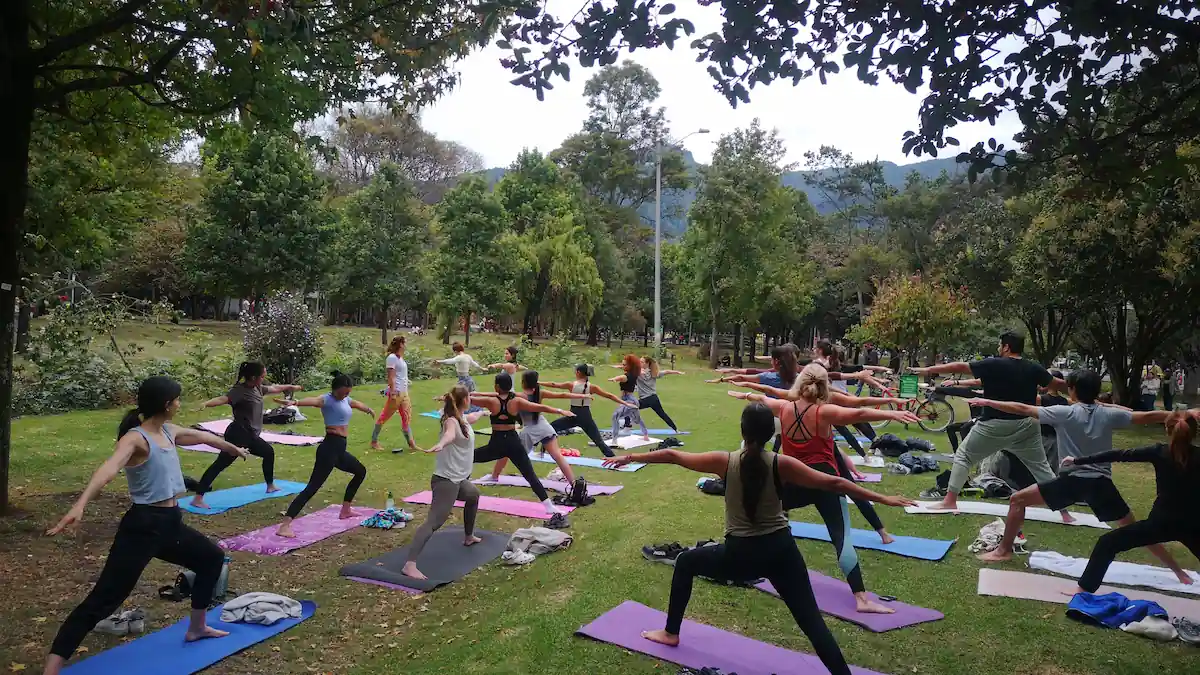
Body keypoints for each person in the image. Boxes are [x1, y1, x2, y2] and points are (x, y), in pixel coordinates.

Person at [602, 402, 915, 674]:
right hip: (782, 552)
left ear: (742, 429)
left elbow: (673, 455)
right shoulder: (782, 463)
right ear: (771, 433)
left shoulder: (724, 461)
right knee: (812, 623)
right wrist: (882, 499)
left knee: (685, 562)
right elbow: (834, 483)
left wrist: (629, 459)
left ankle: (671, 633)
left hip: (740, 556)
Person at [43, 377, 251, 674]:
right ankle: (52, 667)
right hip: (142, 527)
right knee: (104, 599)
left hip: (170, 523)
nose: (180, 404)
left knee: (212, 559)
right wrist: (81, 504)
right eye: (177, 400)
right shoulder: (135, 438)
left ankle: (197, 627)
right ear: (167, 405)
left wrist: (232, 447)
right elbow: (108, 469)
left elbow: (202, 437)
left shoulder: (168, 430)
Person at [968, 371, 1193, 582]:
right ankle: (1179, 572)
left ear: (1072, 389)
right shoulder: (1108, 413)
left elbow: (1023, 409)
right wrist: (1186, 414)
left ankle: (1003, 551)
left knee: (1017, 500)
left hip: (1072, 482)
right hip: (1101, 485)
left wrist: (988, 402)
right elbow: (1146, 416)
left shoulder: (1064, 412)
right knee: (1138, 531)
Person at [731, 363, 920, 613]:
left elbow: (763, 398)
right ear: (824, 386)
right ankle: (861, 599)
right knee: (841, 538)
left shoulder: (784, 408)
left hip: (795, 480)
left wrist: (744, 394)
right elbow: (859, 414)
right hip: (826, 481)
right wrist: (892, 414)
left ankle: (746, 561)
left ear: (800, 383)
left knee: (764, 519)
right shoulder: (823, 413)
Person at [731, 378, 907, 545]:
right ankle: (780, 527)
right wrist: (746, 394)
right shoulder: (797, 399)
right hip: (812, 460)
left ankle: (881, 531)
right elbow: (767, 393)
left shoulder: (826, 400)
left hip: (824, 458)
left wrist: (890, 407)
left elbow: (858, 406)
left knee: (849, 490)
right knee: (785, 495)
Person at [910, 330, 1068, 511]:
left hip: (995, 424)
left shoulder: (993, 364)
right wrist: (1085, 393)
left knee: (963, 456)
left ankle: (949, 501)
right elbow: (1058, 384)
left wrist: (929, 369)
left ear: (1007, 347)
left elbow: (961, 367)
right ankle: (1063, 510)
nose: (999, 348)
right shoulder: (1033, 367)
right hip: (1026, 425)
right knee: (1041, 467)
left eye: (1000, 345)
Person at [1067, 412, 1200, 594]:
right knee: (1107, 543)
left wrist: (1077, 460)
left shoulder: (1159, 452)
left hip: (1161, 524)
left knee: (1107, 543)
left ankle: (1082, 591)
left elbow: (1120, 454)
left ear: (1167, 430)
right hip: (1193, 525)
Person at [460, 372, 574, 523]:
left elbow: (468, 399)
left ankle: (461, 486)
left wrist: (448, 399)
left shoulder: (491, 401)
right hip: (513, 443)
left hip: (497, 443)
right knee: (530, 475)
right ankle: (548, 505)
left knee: (468, 458)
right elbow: (539, 407)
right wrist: (560, 411)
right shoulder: (516, 401)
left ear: (497, 387)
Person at [402, 385, 488, 581]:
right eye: (469, 397)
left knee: (473, 495)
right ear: (464, 400)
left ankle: (468, 537)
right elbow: (449, 434)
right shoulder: (451, 421)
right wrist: (441, 444)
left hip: (458, 479)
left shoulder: (461, 417)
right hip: (446, 481)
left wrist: (483, 413)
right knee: (434, 522)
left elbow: (470, 419)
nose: (471, 399)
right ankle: (410, 564)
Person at [273, 371, 374, 538]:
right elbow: (314, 401)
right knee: (312, 487)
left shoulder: (345, 399)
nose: (346, 396)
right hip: (329, 449)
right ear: (335, 389)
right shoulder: (326, 399)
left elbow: (355, 403)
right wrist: (295, 402)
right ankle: (285, 525)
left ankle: (346, 510)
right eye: (344, 392)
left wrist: (368, 409)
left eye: (348, 392)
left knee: (360, 472)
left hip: (339, 449)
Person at [190, 362, 300, 509]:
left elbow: (275, 388)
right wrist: (206, 403)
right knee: (220, 464)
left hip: (250, 435)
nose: (264, 379)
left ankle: (270, 486)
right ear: (253, 377)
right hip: (238, 434)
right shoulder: (239, 391)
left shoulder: (257, 387)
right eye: (262, 376)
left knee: (268, 452)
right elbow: (223, 399)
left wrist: (289, 387)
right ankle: (198, 498)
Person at [479, 370, 590, 484]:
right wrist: (583, 395)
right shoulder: (540, 393)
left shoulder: (519, 395)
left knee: (506, 452)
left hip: (530, 430)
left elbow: (495, 395)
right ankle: (573, 483)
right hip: (544, 426)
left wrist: (472, 394)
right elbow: (562, 395)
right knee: (557, 456)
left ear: (523, 383)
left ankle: (494, 476)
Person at [544, 364, 637, 458]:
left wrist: (538, 383)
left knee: (551, 429)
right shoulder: (591, 387)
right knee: (599, 441)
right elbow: (609, 396)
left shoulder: (571, 385)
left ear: (578, 372)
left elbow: (554, 384)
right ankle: (614, 458)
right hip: (584, 416)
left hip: (573, 415)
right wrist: (626, 403)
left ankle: (541, 449)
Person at [371, 335, 421, 454]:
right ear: (400, 344)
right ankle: (374, 442)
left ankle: (412, 444)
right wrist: (392, 392)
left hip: (404, 393)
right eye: (405, 343)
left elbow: (400, 375)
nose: (406, 345)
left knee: (407, 418)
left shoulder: (400, 358)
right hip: (396, 393)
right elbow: (391, 377)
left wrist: (406, 382)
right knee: (384, 417)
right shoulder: (392, 358)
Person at [632, 356, 684, 432]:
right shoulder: (653, 373)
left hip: (646, 399)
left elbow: (630, 370)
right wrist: (677, 372)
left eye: (642, 362)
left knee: (628, 406)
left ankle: (627, 426)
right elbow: (666, 372)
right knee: (662, 414)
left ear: (647, 364)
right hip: (654, 398)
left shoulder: (639, 372)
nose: (640, 363)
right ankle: (676, 429)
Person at [608, 354, 651, 442]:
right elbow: (626, 370)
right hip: (631, 400)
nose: (622, 366)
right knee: (637, 419)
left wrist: (615, 379)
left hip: (629, 400)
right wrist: (618, 366)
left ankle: (614, 440)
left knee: (615, 416)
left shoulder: (627, 376)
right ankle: (646, 435)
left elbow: (622, 377)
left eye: (624, 365)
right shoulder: (634, 373)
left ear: (630, 366)